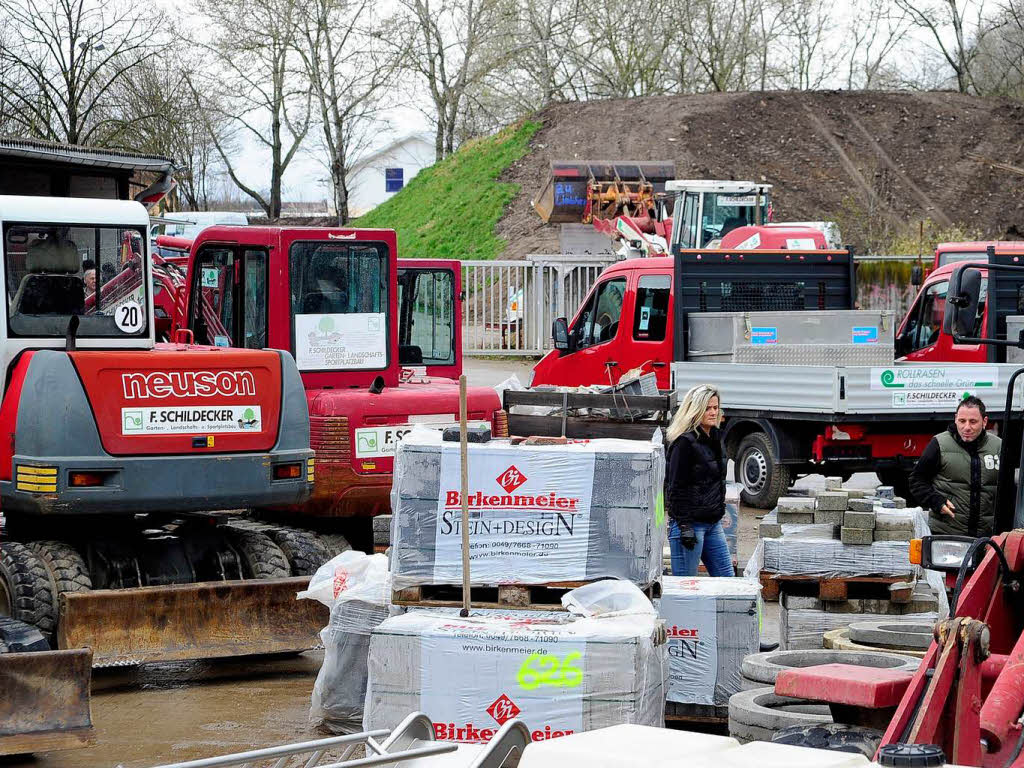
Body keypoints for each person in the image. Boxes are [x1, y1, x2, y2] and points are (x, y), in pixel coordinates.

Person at [664, 383, 733, 576]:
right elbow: (675, 487)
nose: (713, 412)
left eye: (715, 407)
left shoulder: (716, 437)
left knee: (728, 581)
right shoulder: (684, 443)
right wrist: (685, 526)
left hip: (712, 523)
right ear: (696, 410)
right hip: (690, 526)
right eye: (707, 408)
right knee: (686, 589)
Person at [910, 395, 1002, 538]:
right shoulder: (939, 444)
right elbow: (917, 480)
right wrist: (936, 501)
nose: (967, 427)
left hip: (988, 536)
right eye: (962, 421)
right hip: (947, 533)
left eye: (973, 422)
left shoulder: (998, 447)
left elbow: (1009, 492)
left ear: (984, 422)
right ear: (955, 419)